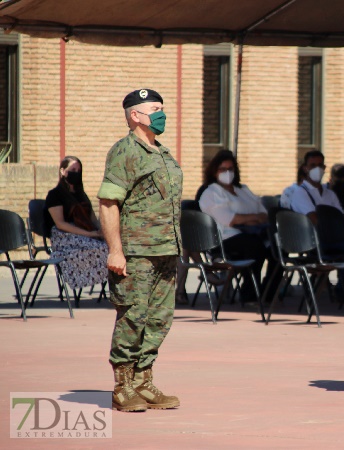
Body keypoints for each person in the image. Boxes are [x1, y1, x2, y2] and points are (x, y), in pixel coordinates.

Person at [98, 88, 181, 412]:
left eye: (162, 107)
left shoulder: (160, 151)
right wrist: (115, 251)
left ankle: (144, 382)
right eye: (155, 108)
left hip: (165, 250)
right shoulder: (125, 151)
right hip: (137, 252)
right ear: (135, 115)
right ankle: (122, 387)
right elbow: (108, 204)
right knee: (133, 317)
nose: (161, 113)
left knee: (159, 319)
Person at [199, 150, 271, 302]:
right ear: (214, 171)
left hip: (252, 234)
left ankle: (268, 292)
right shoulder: (211, 193)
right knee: (255, 246)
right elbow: (231, 219)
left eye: (230, 169)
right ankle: (249, 294)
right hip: (224, 240)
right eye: (222, 169)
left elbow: (263, 213)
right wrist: (251, 218)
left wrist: (250, 219)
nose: (227, 172)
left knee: (276, 247)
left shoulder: (243, 190)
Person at [45, 156, 108, 292]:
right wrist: (90, 234)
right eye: (73, 169)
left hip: (86, 233)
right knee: (103, 250)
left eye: (79, 170)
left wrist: (101, 231)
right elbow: (61, 224)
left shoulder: (81, 194)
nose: (76, 173)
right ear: (63, 171)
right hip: (65, 237)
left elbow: (92, 218)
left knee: (112, 246)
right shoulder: (55, 195)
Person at [289, 150, 342, 224]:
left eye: (320, 165)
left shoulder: (330, 194)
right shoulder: (300, 193)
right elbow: (315, 220)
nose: (317, 169)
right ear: (305, 169)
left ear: (324, 168)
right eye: (312, 165)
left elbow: (343, 219)